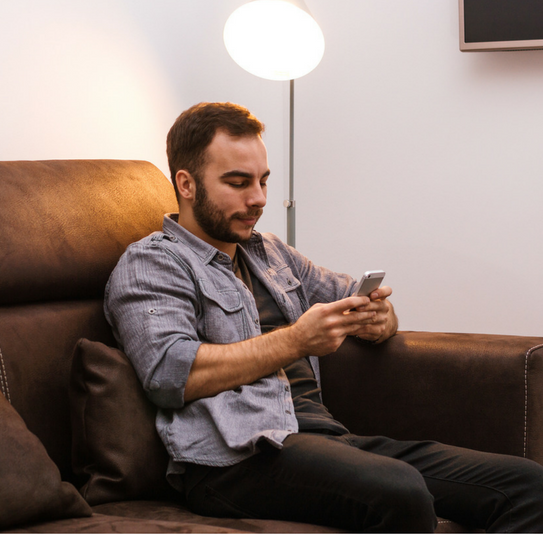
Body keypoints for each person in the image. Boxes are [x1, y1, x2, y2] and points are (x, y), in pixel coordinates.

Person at [105, 102, 543, 532]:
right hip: (235, 460)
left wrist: (379, 318)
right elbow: (168, 374)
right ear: (186, 183)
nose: (257, 199)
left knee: (527, 485)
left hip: (323, 437)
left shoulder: (269, 251)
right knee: (399, 490)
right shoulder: (154, 263)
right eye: (238, 183)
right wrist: (296, 340)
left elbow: (349, 296)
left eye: (262, 181)